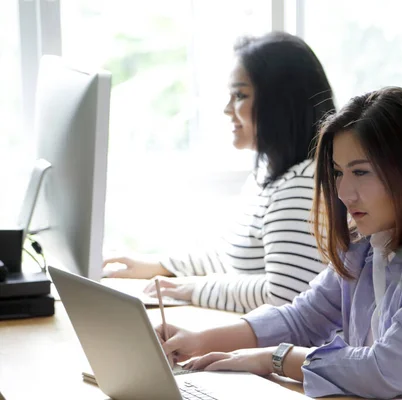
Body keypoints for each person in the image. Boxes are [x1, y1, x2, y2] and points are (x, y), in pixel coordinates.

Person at [154, 87, 402, 399]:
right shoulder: (374, 237)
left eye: (361, 172)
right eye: (338, 172)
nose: (344, 192)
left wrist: (275, 359)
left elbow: (388, 370)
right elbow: (304, 319)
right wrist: (197, 342)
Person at [102, 32, 336, 312]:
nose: (227, 109)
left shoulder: (301, 185)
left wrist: (192, 289)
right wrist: (161, 266)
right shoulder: (269, 175)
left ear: (280, 103)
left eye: (240, 95)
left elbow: (285, 294)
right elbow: (233, 260)